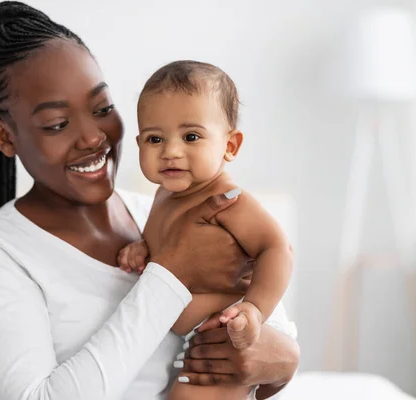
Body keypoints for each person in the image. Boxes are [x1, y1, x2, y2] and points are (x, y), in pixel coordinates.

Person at [0, 2, 300, 399]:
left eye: (102, 108)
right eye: (57, 124)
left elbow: (267, 313)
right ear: (4, 136)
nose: (92, 137)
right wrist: (167, 274)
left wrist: (285, 358)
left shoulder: (159, 210)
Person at [117, 61, 293, 399]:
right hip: (197, 333)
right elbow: (172, 244)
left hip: (228, 330)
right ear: (138, 143)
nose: (170, 151)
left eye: (191, 136)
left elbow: (278, 249)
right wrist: (143, 246)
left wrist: (254, 309)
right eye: (155, 138)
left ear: (230, 145)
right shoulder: (164, 193)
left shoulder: (230, 202)